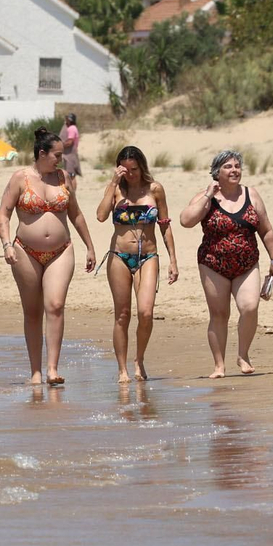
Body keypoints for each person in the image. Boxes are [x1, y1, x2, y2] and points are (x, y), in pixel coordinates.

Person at [0, 127, 97, 385]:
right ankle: (35, 372)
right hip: (24, 251)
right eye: (57, 155)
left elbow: (76, 214)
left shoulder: (63, 178)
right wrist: (6, 245)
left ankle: (52, 368)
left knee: (55, 305)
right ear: (42, 154)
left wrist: (89, 246)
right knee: (32, 311)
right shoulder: (20, 178)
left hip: (61, 251)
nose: (60, 160)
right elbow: (4, 215)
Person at [179, 150, 273, 377]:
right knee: (219, 314)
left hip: (247, 263)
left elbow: (266, 230)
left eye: (237, 166)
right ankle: (219, 366)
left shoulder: (251, 195)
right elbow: (186, 221)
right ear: (217, 173)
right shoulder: (206, 197)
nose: (234, 170)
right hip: (213, 264)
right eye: (228, 166)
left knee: (250, 307)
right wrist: (207, 196)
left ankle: (243, 355)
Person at [94, 146, 179, 383]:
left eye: (134, 169)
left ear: (142, 167)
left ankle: (139, 359)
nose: (130, 174)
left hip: (148, 257)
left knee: (146, 312)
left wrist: (173, 260)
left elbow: (164, 224)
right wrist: (112, 184)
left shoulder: (155, 189)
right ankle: (122, 370)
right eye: (125, 170)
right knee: (122, 314)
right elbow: (100, 216)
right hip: (119, 256)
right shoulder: (115, 191)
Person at [61, 113, 81, 190]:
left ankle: (72, 193)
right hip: (70, 155)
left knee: (71, 175)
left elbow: (70, 142)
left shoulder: (72, 128)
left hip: (70, 155)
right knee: (70, 175)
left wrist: (60, 146)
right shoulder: (73, 128)